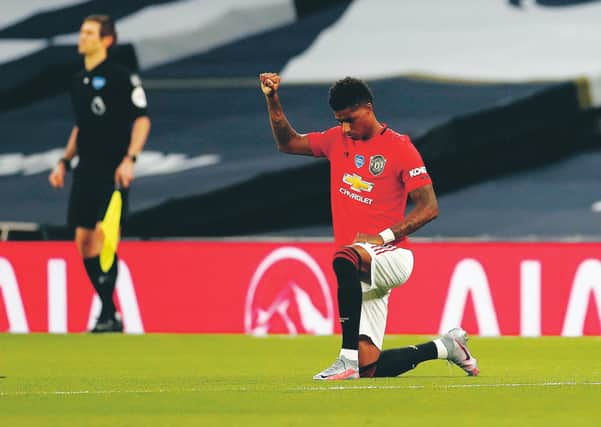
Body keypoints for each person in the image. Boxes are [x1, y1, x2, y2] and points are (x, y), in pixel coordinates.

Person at [260, 73, 479, 379]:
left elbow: (429, 208)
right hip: (361, 270)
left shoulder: (399, 147)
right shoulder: (336, 140)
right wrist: (273, 99)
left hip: (393, 255)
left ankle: (345, 360)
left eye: (350, 119)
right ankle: (447, 346)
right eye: (340, 121)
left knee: (343, 257)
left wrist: (383, 236)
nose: (345, 128)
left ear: (367, 107)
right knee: (371, 368)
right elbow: (288, 142)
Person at [48, 15, 151, 333]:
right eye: (82, 32)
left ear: (107, 40)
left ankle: (108, 313)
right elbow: (81, 126)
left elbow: (142, 119)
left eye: (89, 32)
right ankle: (109, 310)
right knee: (83, 242)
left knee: (105, 237)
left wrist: (130, 159)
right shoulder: (78, 79)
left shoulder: (122, 77)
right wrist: (64, 161)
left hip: (113, 169)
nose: (83, 37)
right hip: (86, 170)